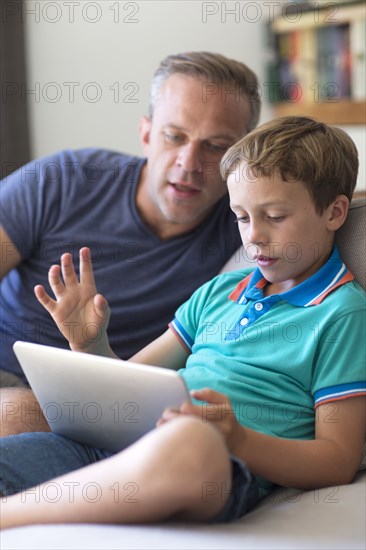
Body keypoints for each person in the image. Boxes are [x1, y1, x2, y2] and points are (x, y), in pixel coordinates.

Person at [0, 116, 365, 529]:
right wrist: (90, 345)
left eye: (275, 216)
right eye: (242, 217)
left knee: (191, 442)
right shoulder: (217, 293)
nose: (254, 236)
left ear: (335, 212)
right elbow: (129, 387)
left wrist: (239, 439)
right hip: (124, 446)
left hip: (215, 466)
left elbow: (336, 459)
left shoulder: (342, 314)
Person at [0, 51, 260, 388]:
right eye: (175, 136)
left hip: (107, 400)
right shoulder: (60, 181)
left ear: (239, 157)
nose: (189, 162)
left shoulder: (248, 224)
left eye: (215, 145)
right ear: (147, 135)